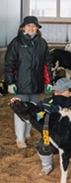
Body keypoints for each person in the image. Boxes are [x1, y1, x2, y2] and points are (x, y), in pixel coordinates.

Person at [9, 78, 71, 175]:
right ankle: (46, 166)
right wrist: (21, 106)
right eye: (56, 91)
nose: (57, 94)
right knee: (43, 145)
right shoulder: (46, 103)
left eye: (61, 91)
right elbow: (32, 112)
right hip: (52, 137)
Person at [4, 16, 53, 149]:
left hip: (36, 83)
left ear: (37, 28)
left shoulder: (42, 43)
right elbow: (9, 63)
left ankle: (27, 134)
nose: (31, 28)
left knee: (33, 109)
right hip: (20, 83)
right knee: (20, 109)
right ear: (23, 28)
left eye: (34, 26)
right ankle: (20, 138)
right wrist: (10, 82)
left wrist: (49, 81)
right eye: (28, 26)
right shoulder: (16, 43)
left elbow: (47, 64)